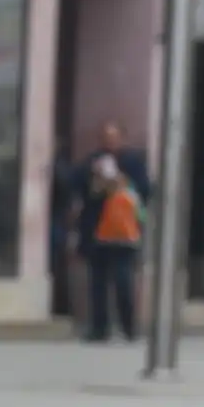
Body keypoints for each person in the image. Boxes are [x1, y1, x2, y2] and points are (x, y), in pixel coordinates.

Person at [72, 123, 152, 342]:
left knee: (123, 280)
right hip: (96, 231)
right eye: (106, 137)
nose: (110, 141)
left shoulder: (133, 161)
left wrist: (120, 181)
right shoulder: (92, 161)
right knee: (97, 282)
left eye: (114, 137)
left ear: (123, 139)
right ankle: (99, 328)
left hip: (123, 233)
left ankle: (128, 326)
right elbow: (77, 185)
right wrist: (96, 181)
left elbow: (145, 191)